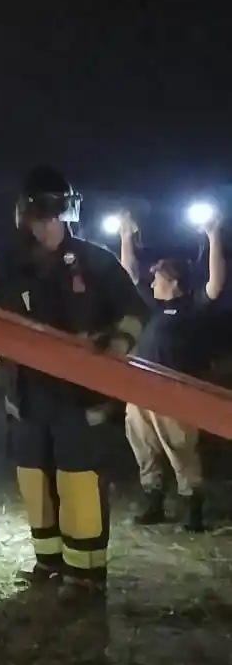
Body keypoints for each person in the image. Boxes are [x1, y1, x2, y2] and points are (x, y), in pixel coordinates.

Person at [0, 165, 148, 597]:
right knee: (36, 481)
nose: (49, 224)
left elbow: (134, 310)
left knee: (79, 481)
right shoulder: (10, 267)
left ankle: (87, 573)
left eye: (56, 214)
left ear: (68, 213)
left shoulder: (95, 261)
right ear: (25, 215)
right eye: (40, 215)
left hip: (81, 400)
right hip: (29, 397)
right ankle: (49, 562)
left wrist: (116, 347)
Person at [118, 208, 226, 531]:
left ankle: (193, 511)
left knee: (180, 449)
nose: (152, 282)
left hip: (176, 390)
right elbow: (128, 276)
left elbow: (216, 283)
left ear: (175, 282)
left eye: (159, 278)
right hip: (140, 388)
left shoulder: (193, 307)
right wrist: (126, 236)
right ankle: (154, 502)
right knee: (144, 445)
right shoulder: (153, 308)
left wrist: (213, 234)